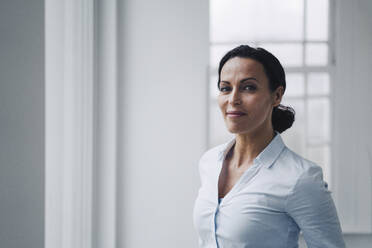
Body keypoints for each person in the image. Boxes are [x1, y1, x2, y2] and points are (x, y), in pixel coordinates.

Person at [192, 45, 345, 248]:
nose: (233, 99)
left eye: (248, 87)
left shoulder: (301, 178)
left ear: (276, 96)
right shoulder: (209, 162)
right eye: (225, 88)